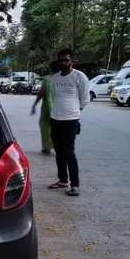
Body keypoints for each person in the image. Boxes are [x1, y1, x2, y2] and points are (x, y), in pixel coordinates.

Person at [48, 48, 90, 197]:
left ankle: (75, 185)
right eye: (61, 60)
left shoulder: (79, 77)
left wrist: (74, 112)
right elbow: (54, 96)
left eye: (66, 60)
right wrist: (57, 112)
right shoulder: (55, 78)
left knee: (69, 152)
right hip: (55, 119)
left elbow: (85, 99)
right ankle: (62, 180)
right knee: (59, 152)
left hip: (70, 120)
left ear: (72, 61)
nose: (63, 63)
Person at [31, 61, 60, 153]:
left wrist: (34, 105)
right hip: (60, 108)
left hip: (47, 107)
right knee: (57, 128)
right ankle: (57, 144)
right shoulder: (63, 79)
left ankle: (47, 147)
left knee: (45, 126)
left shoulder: (47, 79)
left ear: (51, 69)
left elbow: (41, 94)